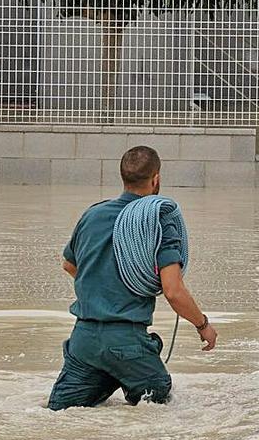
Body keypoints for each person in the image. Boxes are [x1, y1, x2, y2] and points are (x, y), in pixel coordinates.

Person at [48, 146, 218, 410]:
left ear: (123, 177)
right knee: (160, 403)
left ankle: (112, 373)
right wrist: (203, 325)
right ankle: (126, 369)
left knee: (62, 412)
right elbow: (173, 291)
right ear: (156, 179)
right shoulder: (158, 220)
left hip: (84, 340)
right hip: (126, 342)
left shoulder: (92, 215)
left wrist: (102, 287)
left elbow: (69, 265)